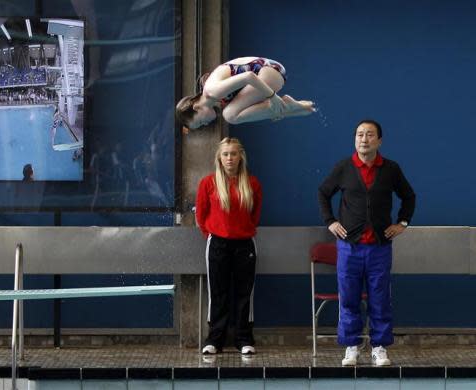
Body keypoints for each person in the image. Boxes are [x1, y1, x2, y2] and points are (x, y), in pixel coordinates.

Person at [317, 119, 415, 367]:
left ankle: (379, 347)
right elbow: (323, 193)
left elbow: (409, 196)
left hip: (380, 248)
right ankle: (352, 345)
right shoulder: (344, 167)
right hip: (349, 247)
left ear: (379, 140)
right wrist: (330, 221)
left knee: (379, 297)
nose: (364, 139)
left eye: (370, 135)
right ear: (354, 139)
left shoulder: (391, 169)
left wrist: (402, 223)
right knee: (348, 296)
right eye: (360, 134)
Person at [195, 137, 262, 355]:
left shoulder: (252, 183)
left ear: (240, 156)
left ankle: (244, 339)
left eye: (233, 153)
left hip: (245, 245)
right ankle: (215, 339)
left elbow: (255, 215)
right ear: (219, 158)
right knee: (218, 293)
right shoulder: (208, 183)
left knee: (245, 294)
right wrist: (213, 235)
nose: (229, 158)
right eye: (225, 154)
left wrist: (243, 231)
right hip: (217, 244)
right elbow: (201, 216)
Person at [176, 56, 316, 132]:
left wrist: (272, 97)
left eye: (200, 122)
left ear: (196, 108)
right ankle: (289, 109)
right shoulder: (216, 97)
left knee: (230, 115)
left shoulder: (212, 91)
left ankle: (285, 107)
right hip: (269, 75)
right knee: (231, 114)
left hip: (270, 71)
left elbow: (248, 76)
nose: (206, 123)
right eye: (203, 125)